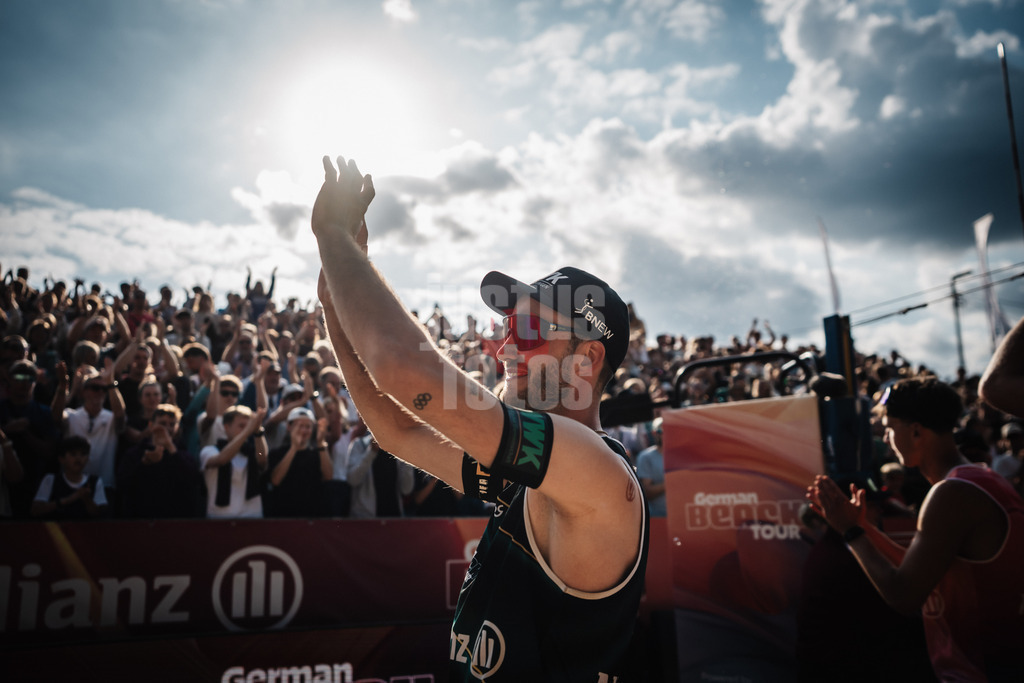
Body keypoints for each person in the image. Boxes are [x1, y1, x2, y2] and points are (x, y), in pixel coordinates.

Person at [312, 155, 647, 680]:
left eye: (531, 329)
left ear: (588, 359)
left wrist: (333, 237)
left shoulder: (596, 472)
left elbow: (402, 369)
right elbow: (396, 428)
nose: (507, 345)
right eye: (509, 326)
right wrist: (334, 302)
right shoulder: (536, 473)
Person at [807, 377, 1024, 682]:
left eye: (891, 427)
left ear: (917, 431)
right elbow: (920, 571)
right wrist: (863, 527)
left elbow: (904, 595)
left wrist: (850, 533)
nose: (887, 437)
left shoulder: (952, 493)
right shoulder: (977, 480)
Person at [200, 405, 268, 519]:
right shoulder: (209, 451)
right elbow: (222, 460)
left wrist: (258, 432)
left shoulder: (252, 451)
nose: (247, 429)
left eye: (248, 426)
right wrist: (247, 431)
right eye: (241, 426)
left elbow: (262, 460)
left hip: (252, 517)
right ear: (226, 427)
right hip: (219, 518)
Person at [262, 407, 331, 518]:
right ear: (289, 427)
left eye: (308, 427)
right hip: (283, 517)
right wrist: (294, 447)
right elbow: (275, 480)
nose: (304, 430)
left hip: (312, 519)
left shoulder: (318, 453)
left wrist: (320, 443)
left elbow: (328, 476)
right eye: (300, 426)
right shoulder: (276, 453)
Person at [31, 435, 109, 519]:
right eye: (73, 454)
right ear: (61, 459)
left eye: (83, 454)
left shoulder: (95, 481)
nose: (78, 458)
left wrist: (87, 500)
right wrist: (70, 499)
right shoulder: (50, 480)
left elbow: (100, 515)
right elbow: (35, 510)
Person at [345, 431, 415, 518]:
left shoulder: (399, 449)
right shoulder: (359, 445)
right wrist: (371, 452)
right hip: (365, 520)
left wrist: (407, 458)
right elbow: (352, 480)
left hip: (394, 519)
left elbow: (407, 489)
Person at [635, 417, 667, 517]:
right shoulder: (645, 457)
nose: (663, 434)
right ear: (654, 433)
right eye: (660, 431)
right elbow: (647, 492)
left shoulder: (681, 455)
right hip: (658, 517)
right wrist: (672, 482)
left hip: (683, 515)